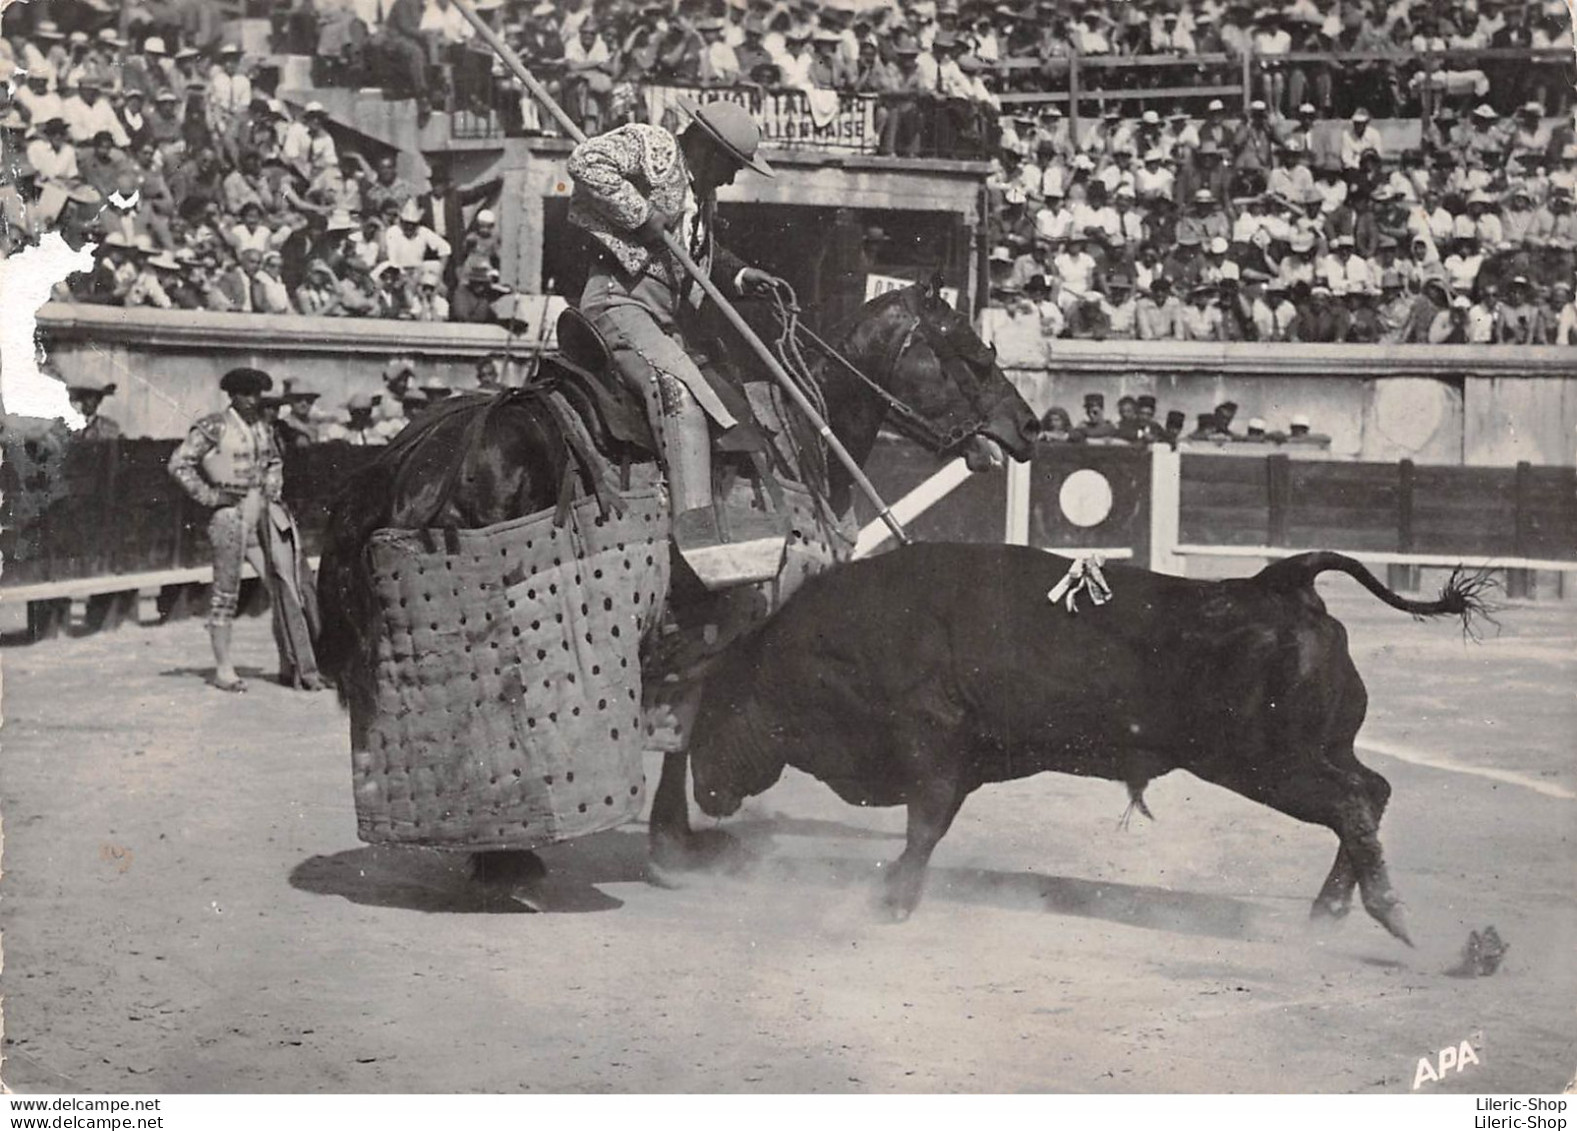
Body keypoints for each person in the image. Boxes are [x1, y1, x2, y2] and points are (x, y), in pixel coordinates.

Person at [566, 100, 782, 588]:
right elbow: (584, 162)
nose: (730, 179)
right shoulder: (654, 144)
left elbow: (702, 254)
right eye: (730, 164)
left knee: (727, 396)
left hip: (664, 318)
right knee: (678, 395)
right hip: (618, 303)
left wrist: (743, 275)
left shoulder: (701, 196)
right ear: (708, 148)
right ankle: (694, 552)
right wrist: (641, 214)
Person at [167, 367, 325, 693]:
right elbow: (179, 463)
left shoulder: (261, 427)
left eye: (257, 394)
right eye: (247, 394)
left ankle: (289, 663)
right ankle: (223, 669)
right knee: (226, 592)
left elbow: (274, 463)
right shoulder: (214, 425)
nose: (254, 400)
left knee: (280, 586)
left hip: (262, 512)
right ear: (233, 395)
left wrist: (270, 490)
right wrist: (210, 496)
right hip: (229, 514)